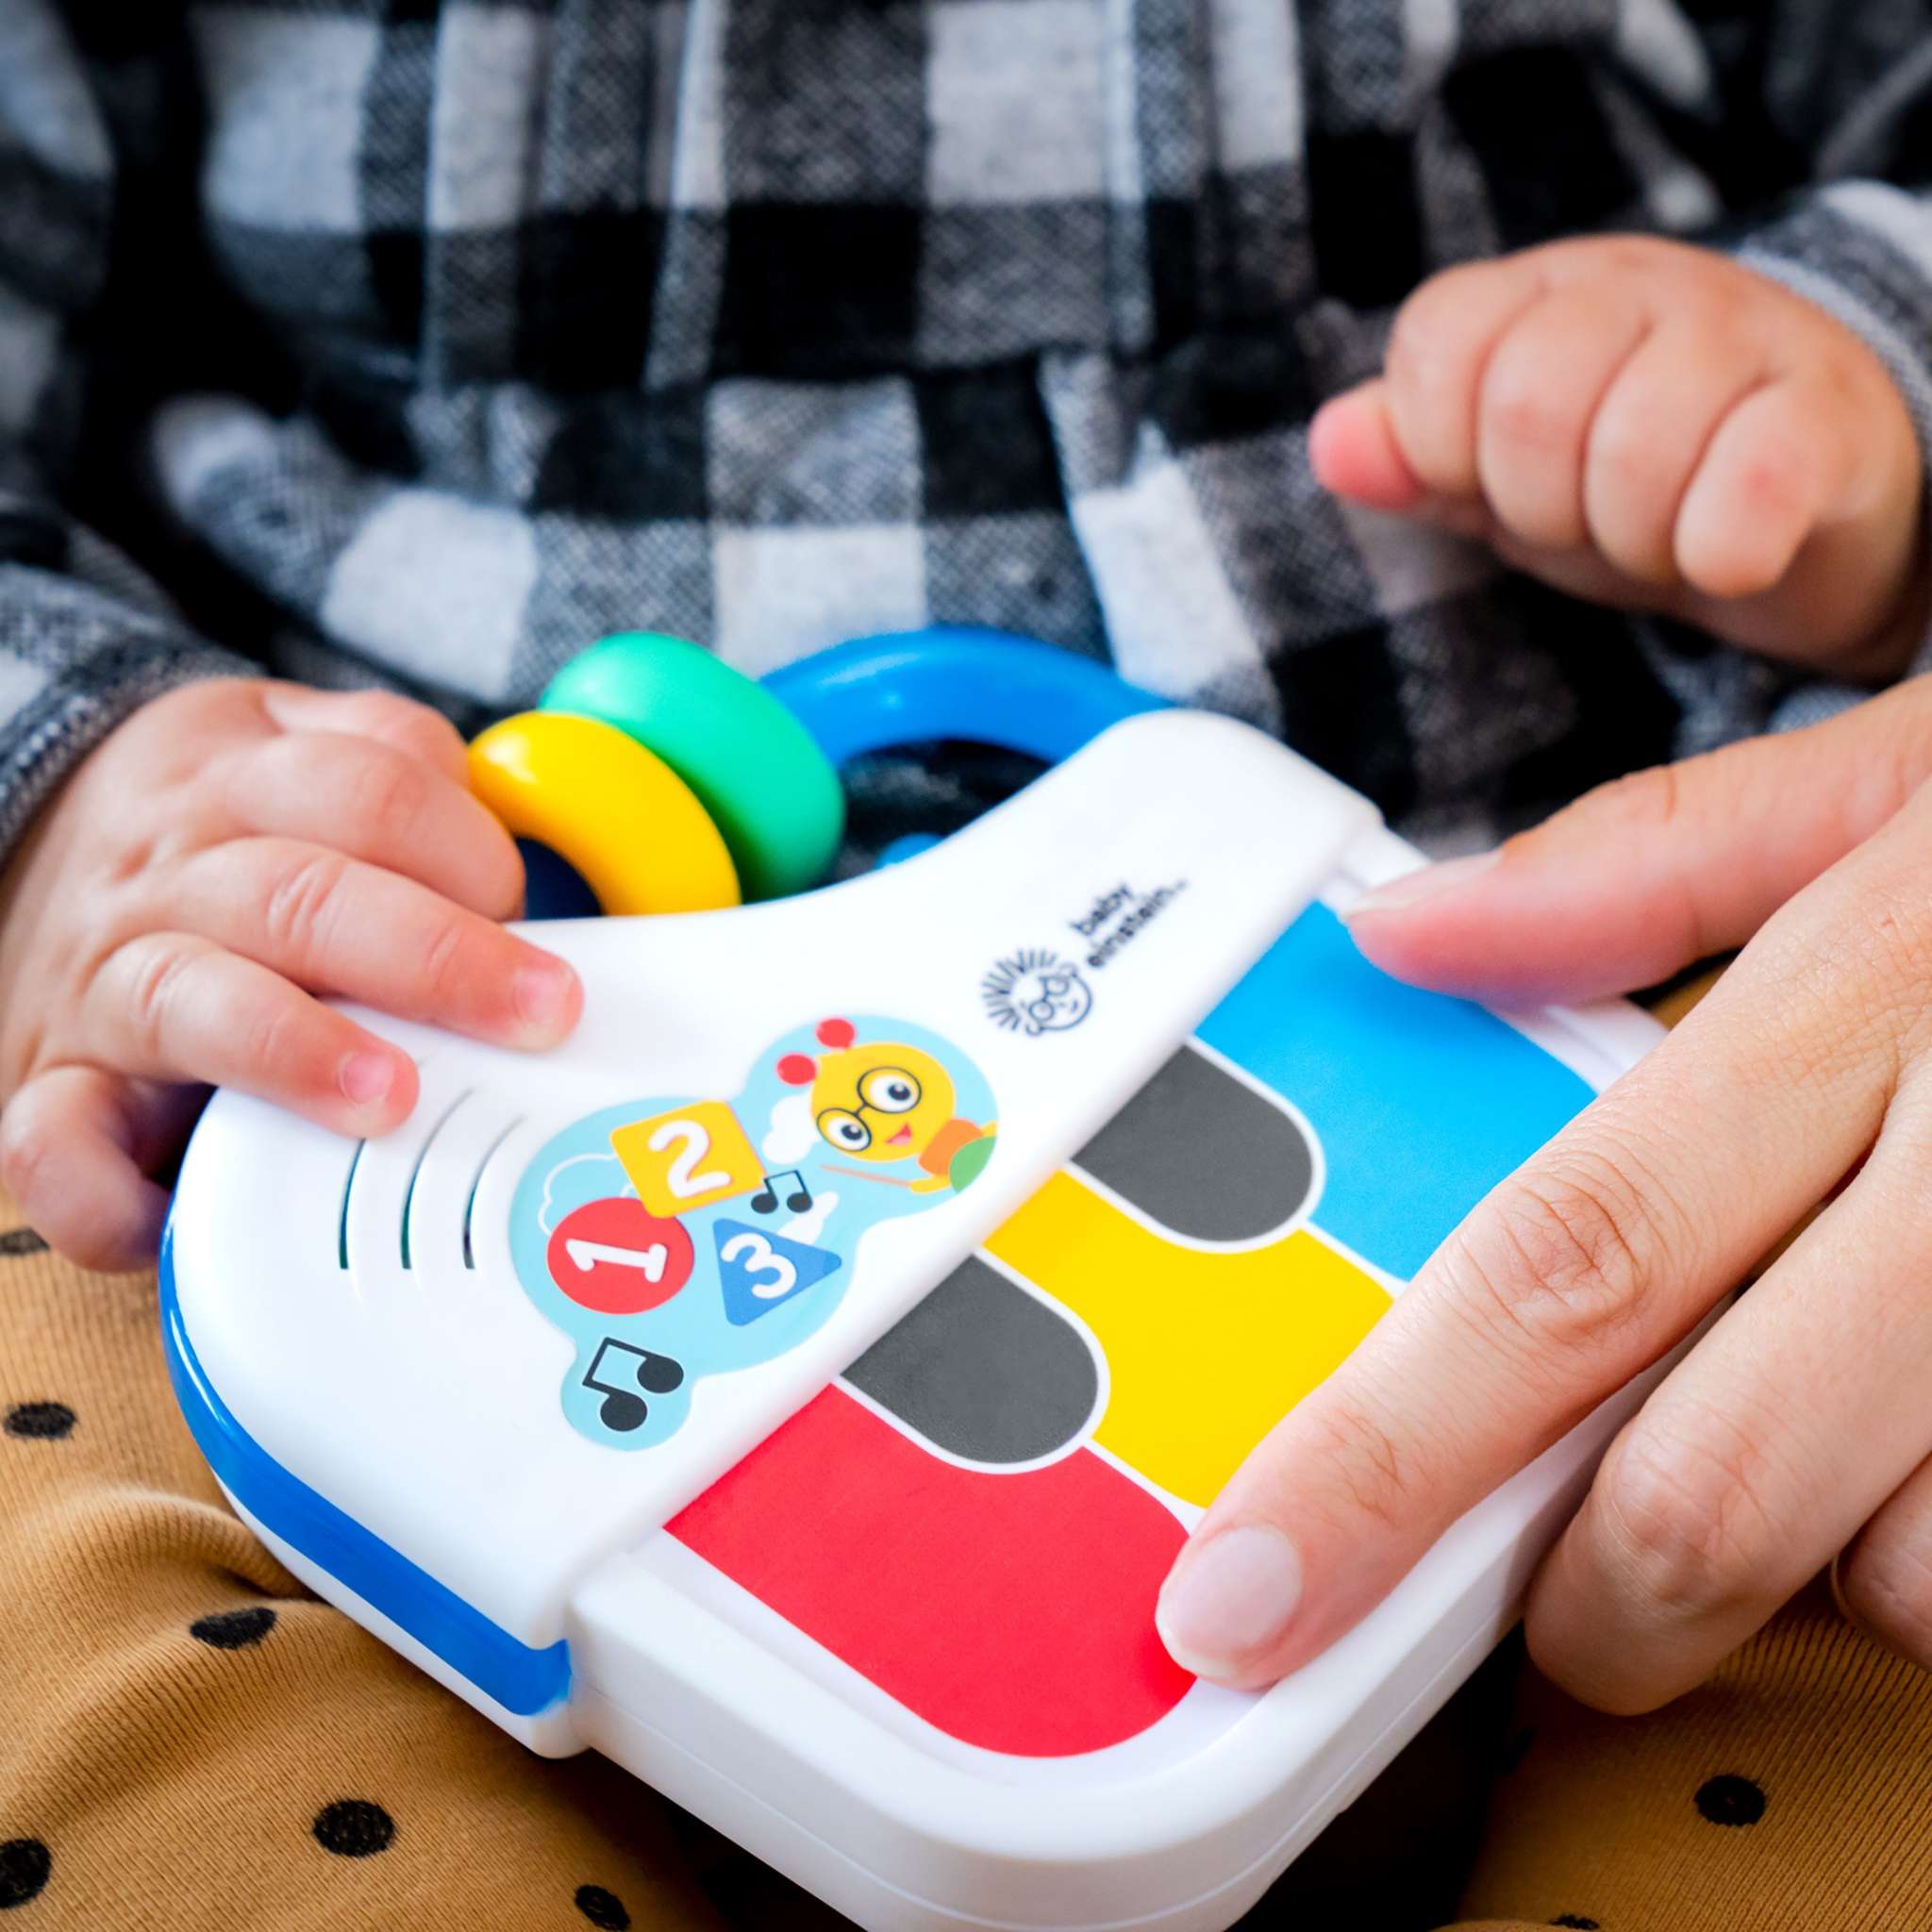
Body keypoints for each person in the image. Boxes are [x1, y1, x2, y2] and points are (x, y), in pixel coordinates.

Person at [4, 1, 1932, 1924]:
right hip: (393, 1126)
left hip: (1598, 974)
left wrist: (1861, 366)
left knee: (1862, 1577)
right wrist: (80, 786)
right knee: (79, 1620)